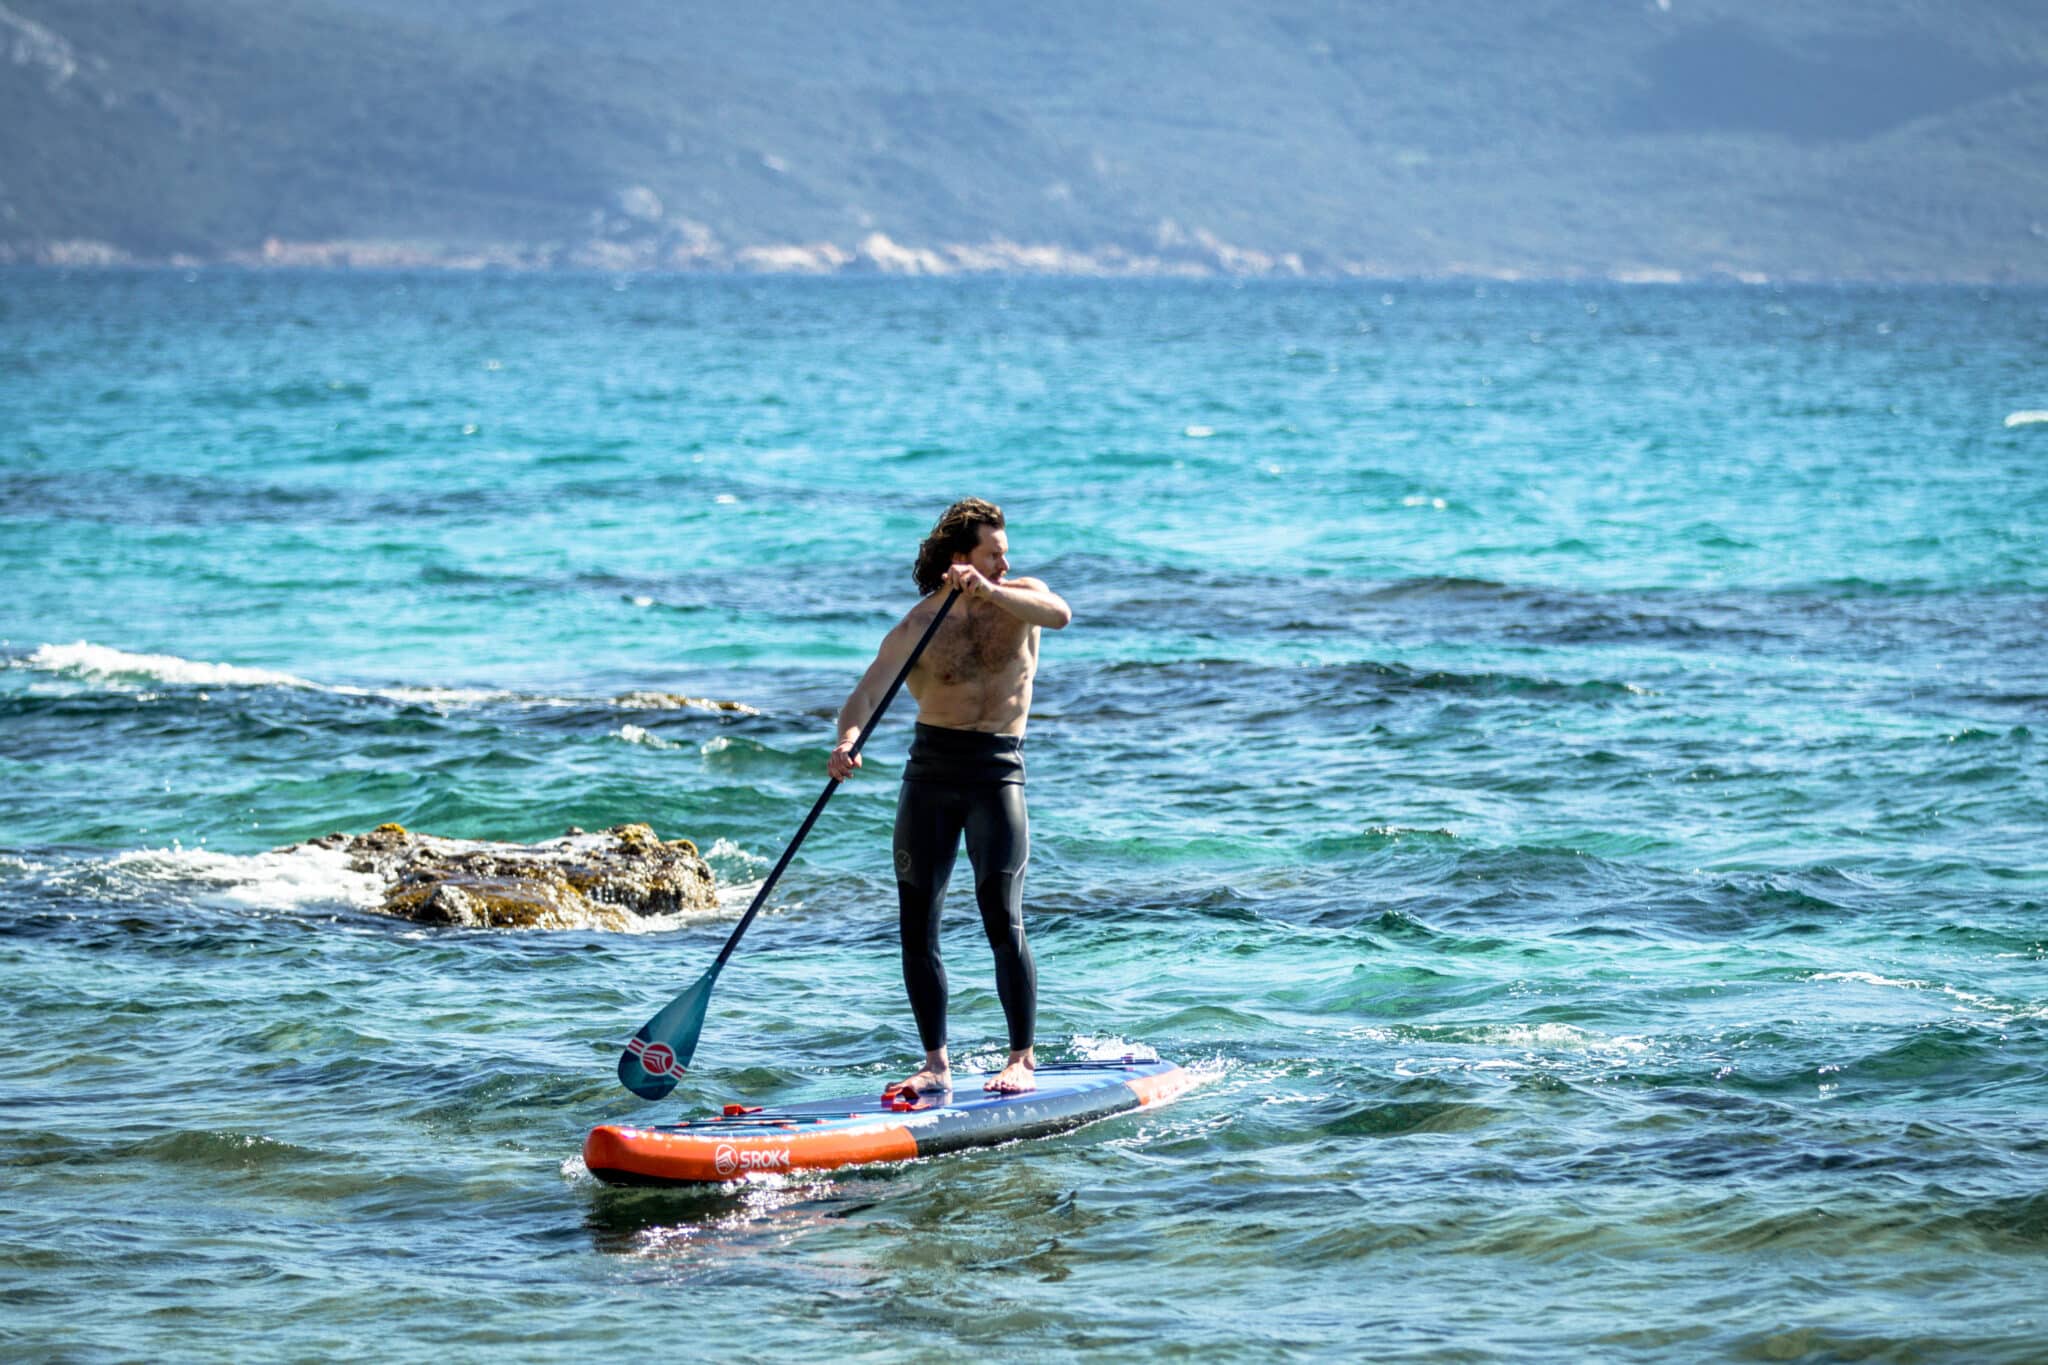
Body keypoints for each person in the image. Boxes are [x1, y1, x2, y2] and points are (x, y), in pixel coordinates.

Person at [827, 498, 1071, 1095]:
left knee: (1001, 915)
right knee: (918, 922)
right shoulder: (918, 626)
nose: (1006, 562)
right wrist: (848, 741)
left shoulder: (1021, 600)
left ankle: (1022, 1058)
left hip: (997, 771)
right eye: (993, 554)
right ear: (960, 557)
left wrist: (989, 589)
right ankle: (936, 1064)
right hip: (930, 774)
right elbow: (863, 697)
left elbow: (1061, 614)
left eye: (1007, 553)